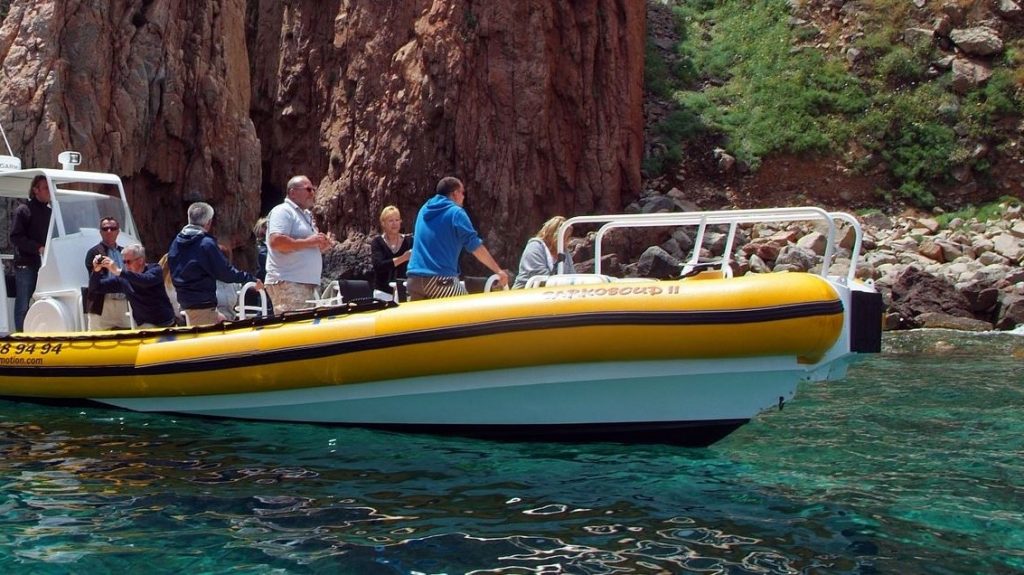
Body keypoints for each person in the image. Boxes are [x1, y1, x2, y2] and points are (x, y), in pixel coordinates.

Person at [406, 176, 508, 300]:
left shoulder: (424, 210)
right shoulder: (456, 213)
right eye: (462, 192)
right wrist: (498, 270)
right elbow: (475, 246)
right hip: (440, 280)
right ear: (455, 193)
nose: (464, 197)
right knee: (469, 314)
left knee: (426, 319)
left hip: (413, 280)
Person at [167, 202, 262, 326]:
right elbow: (225, 273)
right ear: (208, 222)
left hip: (186, 303)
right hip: (203, 304)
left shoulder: (176, 243)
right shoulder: (206, 244)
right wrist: (250, 279)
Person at [264, 175, 333, 314]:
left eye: (313, 189)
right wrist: (310, 242)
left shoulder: (305, 215)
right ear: (292, 192)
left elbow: (306, 245)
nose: (312, 193)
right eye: (308, 189)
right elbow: (276, 242)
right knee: (293, 329)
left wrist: (321, 245)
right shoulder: (283, 211)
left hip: (305, 285)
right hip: (288, 284)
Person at [90, 244, 177, 328]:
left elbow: (145, 281)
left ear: (140, 260)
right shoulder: (124, 278)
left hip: (166, 323)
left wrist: (118, 271)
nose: (126, 265)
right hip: (145, 325)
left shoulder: (155, 269)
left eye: (128, 262)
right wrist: (97, 270)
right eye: (124, 262)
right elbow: (96, 288)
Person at [9, 175, 52, 332]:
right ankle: (20, 335)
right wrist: (38, 248)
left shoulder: (50, 213)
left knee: (44, 300)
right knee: (23, 302)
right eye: (46, 188)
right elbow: (15, 237)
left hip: (46, 264)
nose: (49, 191)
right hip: (26, 264)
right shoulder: (23, 210)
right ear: (36, 190)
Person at [83, 216, 132, 330]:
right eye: (105, 229)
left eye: (113, 228)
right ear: (100, 232)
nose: (109, 231)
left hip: (124, 304)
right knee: (97, 341)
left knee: (129, 337)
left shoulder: (125, 252)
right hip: (102, 305)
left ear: (118, 231)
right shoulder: (94, 252)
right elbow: (94, 281)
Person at [513, 216, 577, 289]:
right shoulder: (535, 247)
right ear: (555, 235)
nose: (569, 241)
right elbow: (540, 277)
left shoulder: (564, 252)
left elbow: (572, 275)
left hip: (556, 294)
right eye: (567, 237)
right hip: (527, 292)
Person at [370, 205, 414, 299]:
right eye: (390, 221)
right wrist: (403, 258)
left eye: (397, 220)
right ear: (383, 223)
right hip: (382, 293)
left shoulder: (409, 241)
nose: (394, 224)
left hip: (405, 291)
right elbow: (379, 266)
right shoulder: (377, 242)